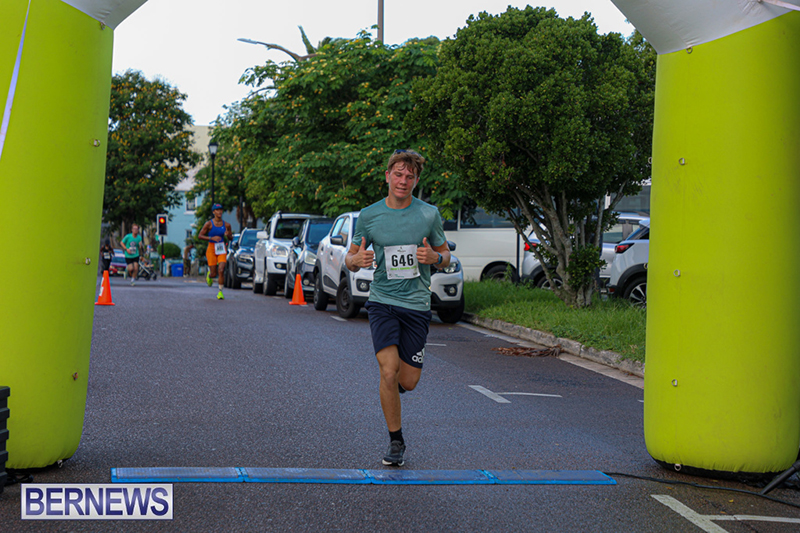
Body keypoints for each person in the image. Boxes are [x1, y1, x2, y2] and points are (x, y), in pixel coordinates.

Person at [346, 149, 451, 467]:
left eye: (410, 176)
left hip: (417, 305)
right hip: (382, 303)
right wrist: (357, 261)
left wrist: (436, 259)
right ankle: (396, 441)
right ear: (388, 175)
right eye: (398, 174)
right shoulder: (369, 215)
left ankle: (395, 389)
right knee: (388, 372)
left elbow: (446, 255)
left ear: (416, 181)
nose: (403, 180)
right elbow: (350, 259)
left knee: (408, 381)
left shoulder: (428, 214)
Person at [199, 203, 232, 300]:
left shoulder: (227, 225)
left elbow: (231, 238)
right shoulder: (209, 224)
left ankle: (220, 292)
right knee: (214, 273)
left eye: (221, 210)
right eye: (217, 210)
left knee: (221, 270)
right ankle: (210, 275)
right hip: (211, 248)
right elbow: (200, 236)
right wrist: (211, 237)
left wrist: (228, 235)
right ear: (214, 212)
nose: (220, 212)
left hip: (221, 248)